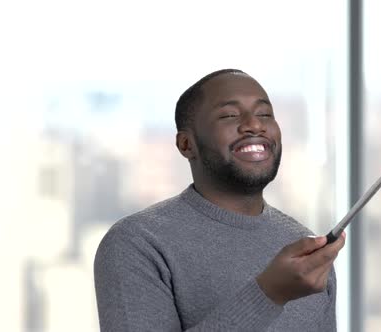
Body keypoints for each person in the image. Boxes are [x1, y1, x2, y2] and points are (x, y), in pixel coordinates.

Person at [94, 69, 347, 331]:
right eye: (229, 115)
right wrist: (268, 294)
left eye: (264, 114)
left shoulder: (306, 255)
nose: (255, 125)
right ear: (186, 144)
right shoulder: (136, 243)